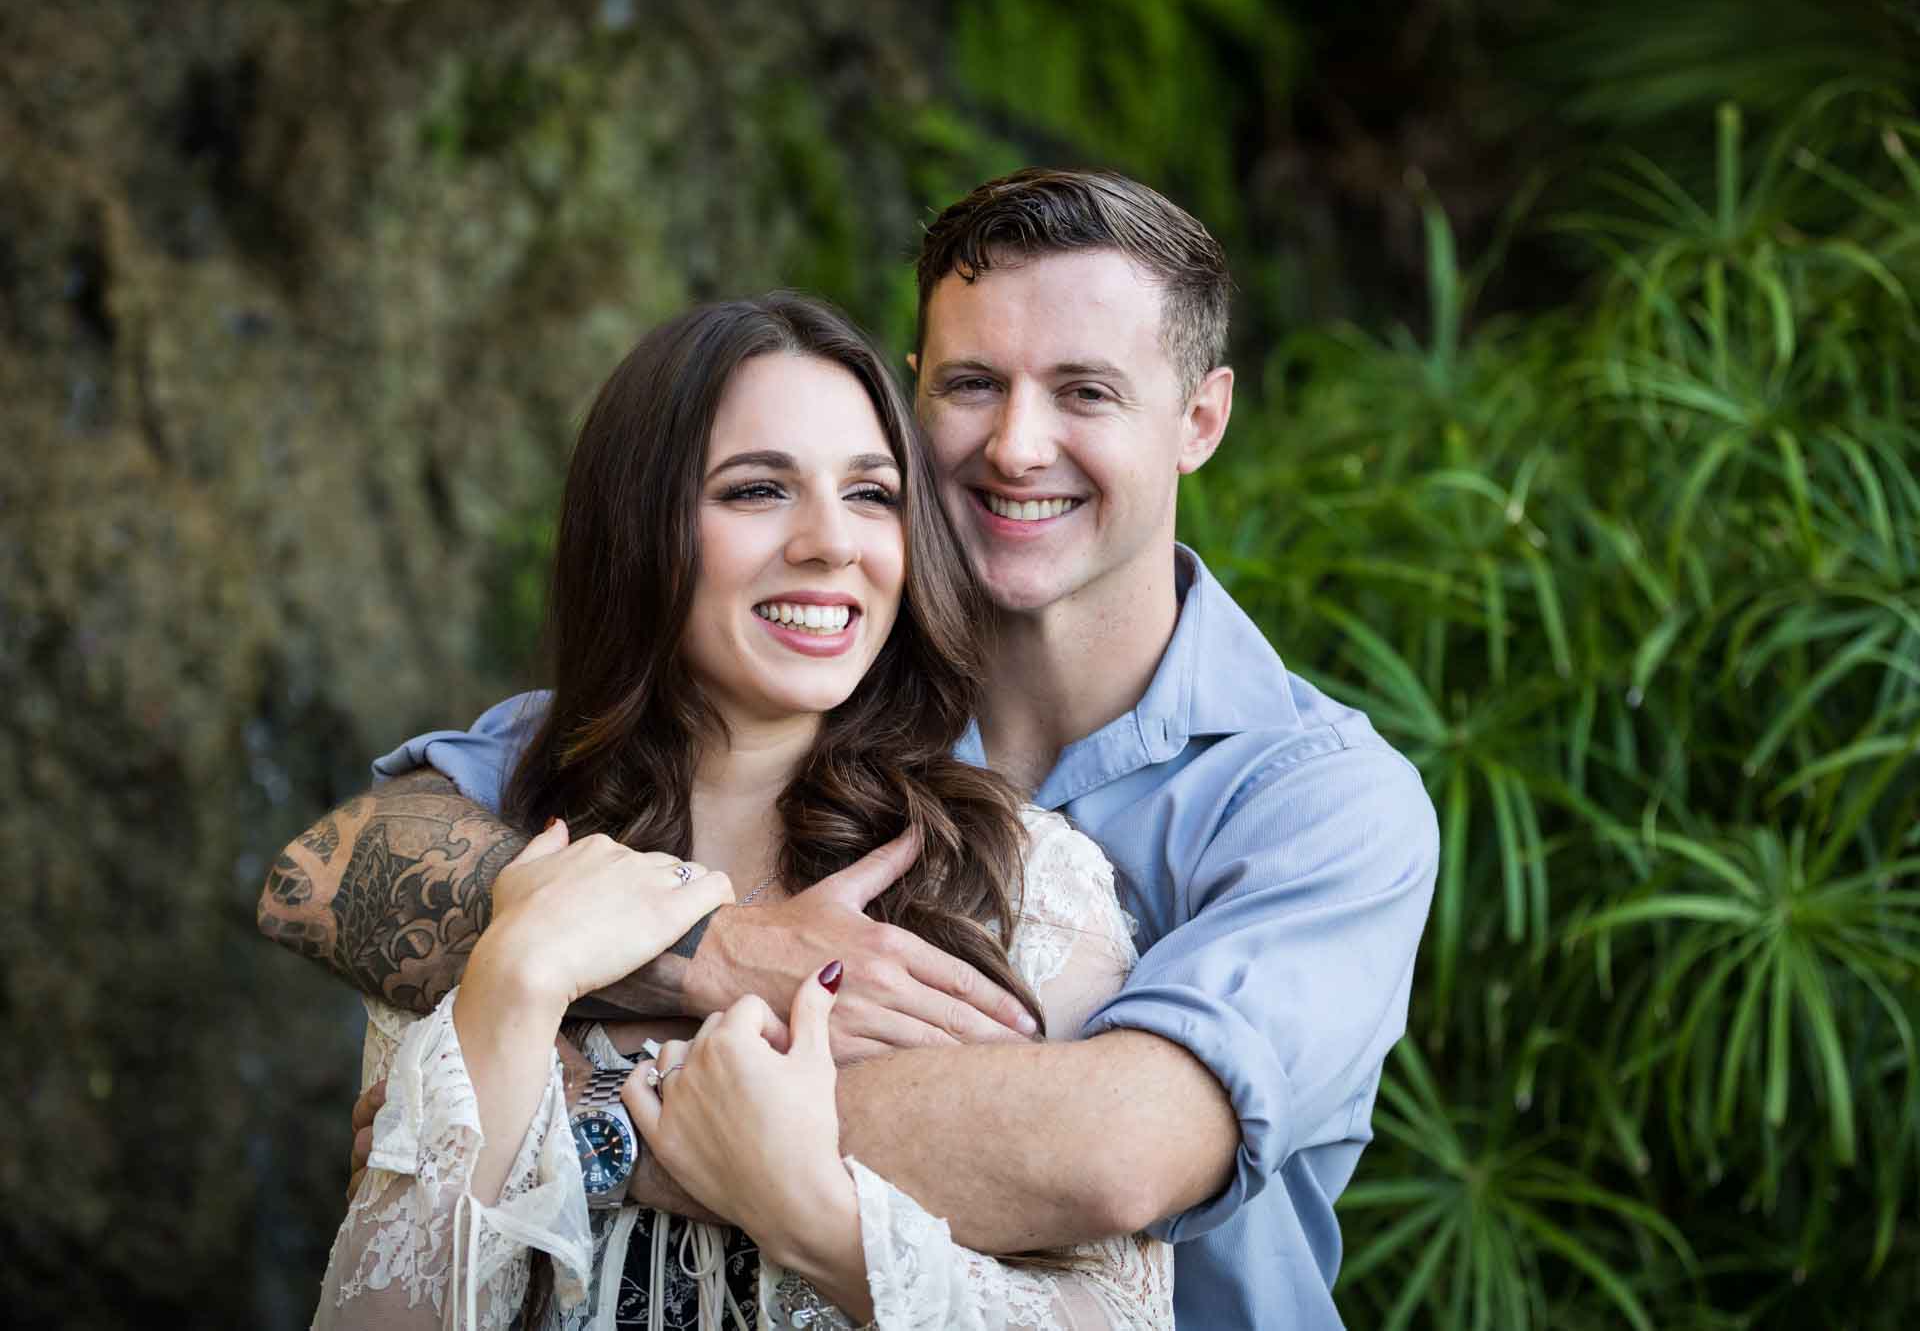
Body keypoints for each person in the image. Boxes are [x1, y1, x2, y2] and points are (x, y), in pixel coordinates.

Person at [262, 168, 1438, 1326]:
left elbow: (1114, 1153)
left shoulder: (1323, 800)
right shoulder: (770, 692)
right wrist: (709, 949)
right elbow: (324, 878)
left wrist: (561, 1115)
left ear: (1199, 419)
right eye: (974, 383)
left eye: (1085, 392)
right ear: (916, 392)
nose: (1018, 446)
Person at [306, 294, 1173, 1329]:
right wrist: (516, 981)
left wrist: (800, 1209)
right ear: (639, 526)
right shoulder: (507, 861)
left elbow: (1114, 1312)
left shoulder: (1023, 881)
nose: (828, 543)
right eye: (757, 489)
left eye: (870, 494)